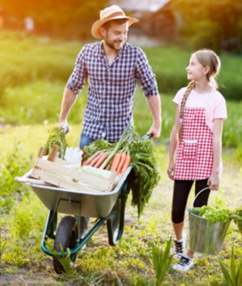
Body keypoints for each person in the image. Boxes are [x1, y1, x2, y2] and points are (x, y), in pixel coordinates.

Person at [58, 5, 161, 238]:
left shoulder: (136, 55)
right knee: (83, 180)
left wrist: (157, 123)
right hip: (91, 131)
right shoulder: (87, 53)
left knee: (116, 184)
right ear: (103, 31)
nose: (122, 37)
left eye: (125, 32)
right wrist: (62, 118)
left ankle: (114, 214)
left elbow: (150, 89)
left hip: (120, 134)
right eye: (117, 32)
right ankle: (80, 227)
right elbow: (73, 86)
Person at [167, 49, 226, 272]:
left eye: (192, 64)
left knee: (198, 211)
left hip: (205, 161)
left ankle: (189, 256)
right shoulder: (184, 93)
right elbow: (175, 129)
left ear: (205, 69)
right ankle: (179, 240)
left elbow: (217, 138)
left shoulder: (216, 99)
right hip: (184, 158)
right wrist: (171, 159)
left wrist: (215, 171)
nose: (188, 67)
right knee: (176, 210)